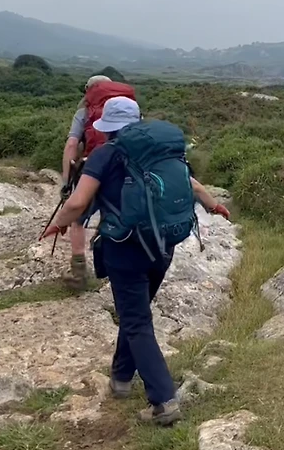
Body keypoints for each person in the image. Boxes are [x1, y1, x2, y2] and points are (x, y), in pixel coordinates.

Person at [42, 96, 229, 426]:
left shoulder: (104, 154)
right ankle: (121, 378)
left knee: (137, 321)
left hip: (124, 247)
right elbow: (194, 186)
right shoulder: (161, 151)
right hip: (162, 246)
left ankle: (164, 401)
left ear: (107, 127)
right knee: (135, 314)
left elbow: (78, 202)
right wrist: (215, 206)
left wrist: (58, 224)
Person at [61, 75, 135, 289]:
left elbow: (71, 145)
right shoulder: (128, 107)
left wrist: (67, 181)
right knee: (110, 216)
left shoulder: (84, 112)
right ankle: (110, 266)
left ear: (88, 90)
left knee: (78, 220)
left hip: (91, 169)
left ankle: (79, 273)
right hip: (121, 171)